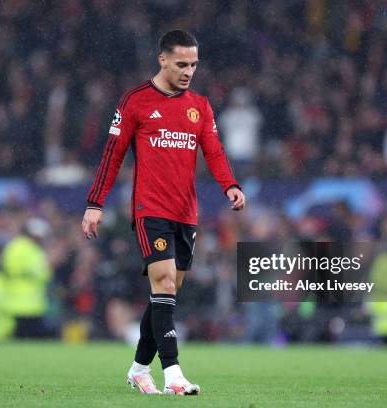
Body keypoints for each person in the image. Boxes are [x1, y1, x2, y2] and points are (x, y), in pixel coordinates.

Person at [81, 30, 245, 395]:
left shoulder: (199, 106)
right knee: (165, 284)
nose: (189, 71)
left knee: (165, 296)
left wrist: (230, 185)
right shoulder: (136, 102)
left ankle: (139, 369)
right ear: (163, 60)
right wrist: (95, 203)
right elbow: (112, 155)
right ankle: (173, 375)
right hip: (149, 209)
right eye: (182, 64)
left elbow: (214, 151)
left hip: (186, 213)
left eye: (194, 64)